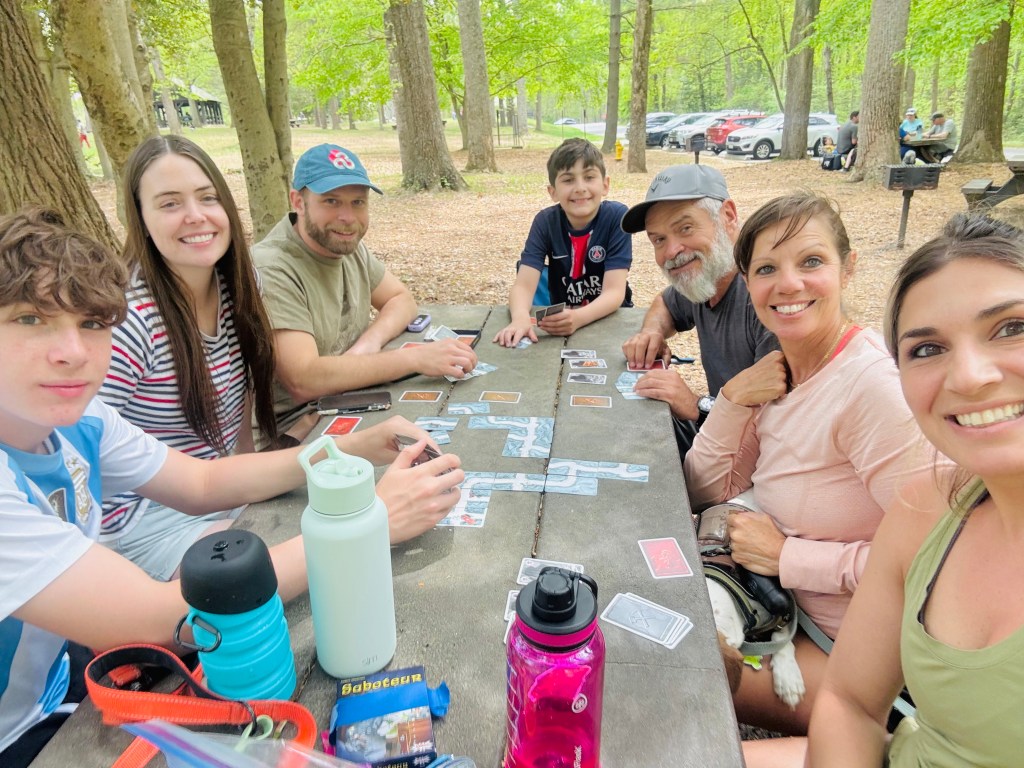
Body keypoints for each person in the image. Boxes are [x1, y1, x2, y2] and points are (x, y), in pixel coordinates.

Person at [0, 208, 465, 767]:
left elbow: (202, 480)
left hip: (59, 679)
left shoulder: (77, 419)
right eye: (30, 319)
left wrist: (351, 448)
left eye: (92, 324)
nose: (72, 351)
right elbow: (156, 618)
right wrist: (364, 529)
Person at [98, 136, 461, 580]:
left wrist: (354, 448)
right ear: (139, 217)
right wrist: (369, 524)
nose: (195, 216)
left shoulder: (238, 284)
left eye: (207, 197)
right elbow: (75, 464)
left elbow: (235, 437)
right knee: (342, 566)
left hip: (228, 490)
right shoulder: (128, 323)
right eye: (170, 203)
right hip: (145, 525)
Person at [681, 193, 936, 754]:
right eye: (767, 269)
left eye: (811, 262)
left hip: (859, 660)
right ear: (747, 282)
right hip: (774, 608)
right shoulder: (782, 369)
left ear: (848, 268)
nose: (788, 284)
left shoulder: (872, 388)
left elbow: (936, 565)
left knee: (666, 664)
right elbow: (705, 490)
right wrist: (731, 400)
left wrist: (789, 557)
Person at [806, 215, 1024, 767]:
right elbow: (849, 701)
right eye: (927, 349)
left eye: (1012, 327)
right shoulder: (927, 507)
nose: (970, 376)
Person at [253, 144, 478, 448]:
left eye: (358, 202)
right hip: (290, 436)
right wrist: (414, 358)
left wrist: (367, 345)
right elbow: (303, 380)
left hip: (345, 401)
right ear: (299, 202)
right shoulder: (272, 265)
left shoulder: (345, 245)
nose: (347, 217)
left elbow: (400, 299)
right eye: (331, 201)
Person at [619, 165, 777, 459]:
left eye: (685, 228)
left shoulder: (768, 300)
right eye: (658, 239)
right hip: (722, 435)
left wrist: (695, 404)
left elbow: (778, 430)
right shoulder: (706, 278)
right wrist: (651, 332)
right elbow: (665, 303)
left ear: (728, 217)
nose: (671, 251)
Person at [493, 138, 633, 347]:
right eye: (568, 180)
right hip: (563, 324)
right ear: (553, 192)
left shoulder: (617, 217)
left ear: (605, 185)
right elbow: (523, 286)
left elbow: (614, 292)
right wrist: (520, 318)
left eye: (589, 177)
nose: (580, 188)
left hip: (609, 319)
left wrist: (578, 318)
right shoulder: (545, 222)